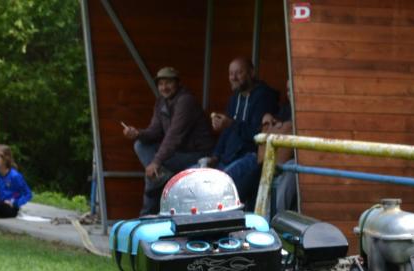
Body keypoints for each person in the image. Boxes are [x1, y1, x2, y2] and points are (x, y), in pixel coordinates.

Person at [122, 66, 214, 215]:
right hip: (177, 152)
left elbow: (174, 136)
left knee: (153, 173)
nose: (164, 87)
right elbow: (154, 131)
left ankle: (146, 215)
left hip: (197, 153)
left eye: (168, 83)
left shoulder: (186, 101)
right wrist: (137, 133)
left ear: (177, 83)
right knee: (140, 145)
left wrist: (156, 162)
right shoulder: (161, 102)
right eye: (161, 84)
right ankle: (162, 177)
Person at [201, 57, 279, 209]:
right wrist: (215, 156)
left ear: (252, 73)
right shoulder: (234, 98)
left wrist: (230, 124)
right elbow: (226, 132)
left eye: (239, 73)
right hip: (229, 158)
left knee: (220, 185)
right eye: (231, 73)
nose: (234, 77)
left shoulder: (264, 97)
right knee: (195, 175)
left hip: (251, 156)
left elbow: (258, 135)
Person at [257, 105, 297, 214]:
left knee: (291, 168)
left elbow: (289, 128)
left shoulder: (300, 107)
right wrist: (270, 120)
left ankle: (273, 217)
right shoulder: (285, 108)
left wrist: (279, 126)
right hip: (273, 162)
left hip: (293, 162)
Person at [0, 144, 33, 218]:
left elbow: (28, 194)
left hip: (10, 207)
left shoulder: (15, 176)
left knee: (0, 205)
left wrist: (15, 203)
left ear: (5, 160)